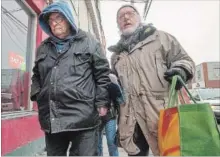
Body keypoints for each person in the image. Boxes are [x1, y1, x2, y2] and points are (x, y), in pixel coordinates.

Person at [108, 4, 195, 156]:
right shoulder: (116, 55)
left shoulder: (161, 38)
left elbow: (184, 59)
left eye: (130, 13)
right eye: (121, 17)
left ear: (139, 18)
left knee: (170, 153)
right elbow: (118, 87)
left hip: (160, 115)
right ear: (118, 25)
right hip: (132, 122)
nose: (126, 18)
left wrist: (181, 69)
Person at [30, 1, 110, 156]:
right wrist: (37, 95)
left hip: (83, 117)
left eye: (58, 18)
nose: (54, 23)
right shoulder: (43, 47)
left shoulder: (89, 42)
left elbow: (102, 74)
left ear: (68, 18)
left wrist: (102, 102)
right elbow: (36, 75)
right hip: (52, 118)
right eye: (51, 20)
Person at [97, 72, 125, 156]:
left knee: (111, 142)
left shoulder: (111, 78)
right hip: (96, 116)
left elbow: (121, 100)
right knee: (97, 143)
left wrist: (116, 91)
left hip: (110, 116)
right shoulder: (93, 78)